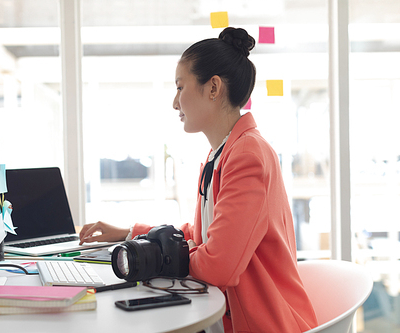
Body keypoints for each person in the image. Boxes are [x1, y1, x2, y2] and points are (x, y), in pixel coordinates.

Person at [79, 27, 318, 333]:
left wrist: (159, 256)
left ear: (213, 88)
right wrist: (130, 233)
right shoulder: (219, 153)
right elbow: (203, 233)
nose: (175, 103)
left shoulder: (247, 155)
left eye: (180, 87)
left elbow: (219, 264)